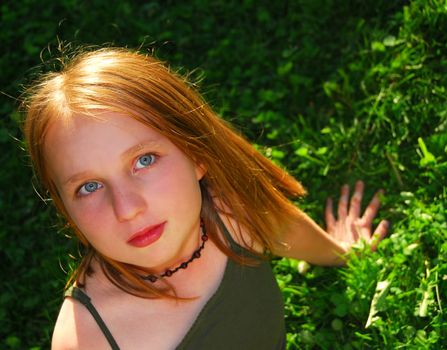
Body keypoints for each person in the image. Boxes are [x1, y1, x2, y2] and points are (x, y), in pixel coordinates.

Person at [22, 48, 389, 350]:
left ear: (197, 154)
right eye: (88, 186)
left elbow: (284, 228)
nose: (128, 208)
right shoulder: (89, 340)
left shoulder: (234, 209)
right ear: (66, 209)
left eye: (143, 161)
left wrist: (342, 252)